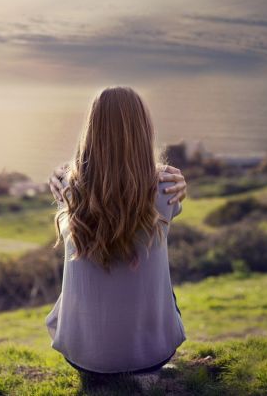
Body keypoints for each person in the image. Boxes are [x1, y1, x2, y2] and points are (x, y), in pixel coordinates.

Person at [45, 86, 187, 378]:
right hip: (151, 357)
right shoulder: (165, 189)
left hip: (81, 356)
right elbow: (151, 183)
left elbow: (74, 175)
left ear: (91, 131)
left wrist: (60, 175)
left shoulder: (68, 191)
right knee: (164, 288)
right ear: (143, 131)